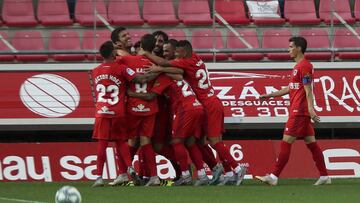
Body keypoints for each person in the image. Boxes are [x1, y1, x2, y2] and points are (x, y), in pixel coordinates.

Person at [140, 40, 247, 186]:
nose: (176, 55)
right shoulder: (195, 58)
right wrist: (160, 68)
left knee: (213, 141)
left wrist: (151, 61)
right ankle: (227, 173)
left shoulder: (184, 62)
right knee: (198, 142)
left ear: (184, 51)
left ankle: (237, 168)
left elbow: (168, 68)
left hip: (205, 104)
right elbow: (176, 72)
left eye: (177, 52)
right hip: (208, 102)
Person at [255, 36, 331, 186]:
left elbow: (308, 90)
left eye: (291, 47)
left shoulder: (304, 66)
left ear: (299, 49)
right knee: (311, 143)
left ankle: (273, 177)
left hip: (299, 111)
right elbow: (291, 88)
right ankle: (324, 176)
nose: (288, 49)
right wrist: (270, 95)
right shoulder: (298, 67)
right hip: (300, 111)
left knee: (286, 142)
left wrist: (310, 109)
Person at [128, 73, 210, 186]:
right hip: (196, 106)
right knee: (191, 143)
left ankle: (185, 174)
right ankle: (202, 174)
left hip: (183, 110)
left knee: (174, 142)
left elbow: (151, 96)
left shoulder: (163, 77)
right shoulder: (174, 72)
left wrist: (131, 93)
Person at [91, 41, 140, 187]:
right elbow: (136, 77)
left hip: (102, 112)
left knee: (102, 145)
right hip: (118, 112)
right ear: (113, 53)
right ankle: (130, 168)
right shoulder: (122, 68)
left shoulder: (95, 71)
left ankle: (99, 177)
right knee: (120, 142)